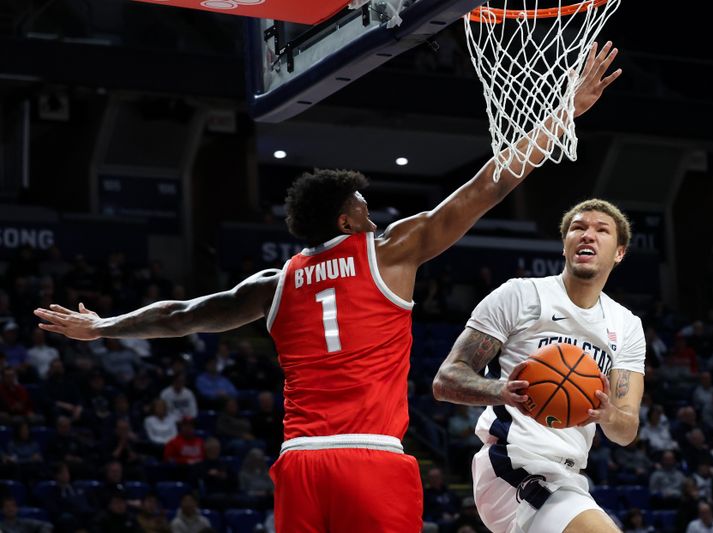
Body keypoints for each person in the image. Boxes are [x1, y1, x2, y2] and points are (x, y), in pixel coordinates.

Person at [32, 41, 621, 533]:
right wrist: (563, 111)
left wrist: (104, 326)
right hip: (371, 458)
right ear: (345, 220)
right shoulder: (389, 251)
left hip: (300, 465)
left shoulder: (275, 282)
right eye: (365, 207)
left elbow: (182, 314)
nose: (374, 214)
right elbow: (485, 185)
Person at [433, 195, 644, 532]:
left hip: (568, 474)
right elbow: (446, 381)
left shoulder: (626, 325)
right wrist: (502, 390)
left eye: (602, 230)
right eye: (578, 228)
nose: (588, 234)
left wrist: (609, 415)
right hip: (512, 463)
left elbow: (626, 430)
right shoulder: (521, 295)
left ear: (619, 252)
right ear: (565, 246)